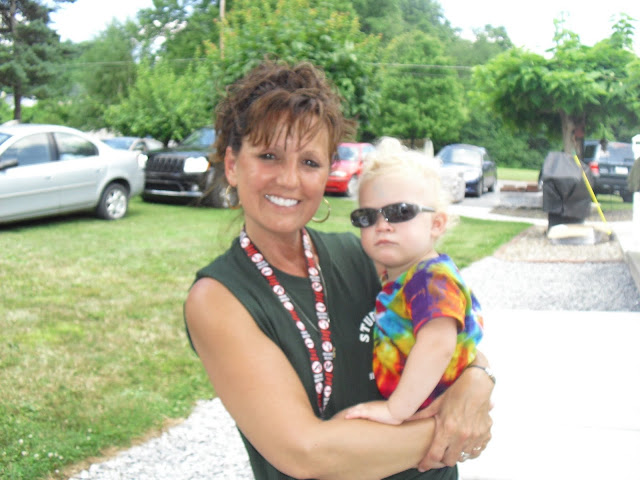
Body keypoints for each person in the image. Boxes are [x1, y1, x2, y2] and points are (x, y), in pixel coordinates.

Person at [184, 60, 494, 480]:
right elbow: (308, 454)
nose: (290, 180)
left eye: (309, 162)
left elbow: (445, 330)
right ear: (233, 165)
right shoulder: (219, 298)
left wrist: (477, 379)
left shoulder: (365, 256)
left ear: (328, 171)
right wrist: (447, 431)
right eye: (269, 156)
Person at [344, 138, 487, 427]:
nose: (382, 225)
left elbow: (438, 345)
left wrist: (395, 410)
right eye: (367, 217)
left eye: (400, 212)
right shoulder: (404, 275)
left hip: (424, 417)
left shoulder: (431, 281)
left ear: (436, 224)